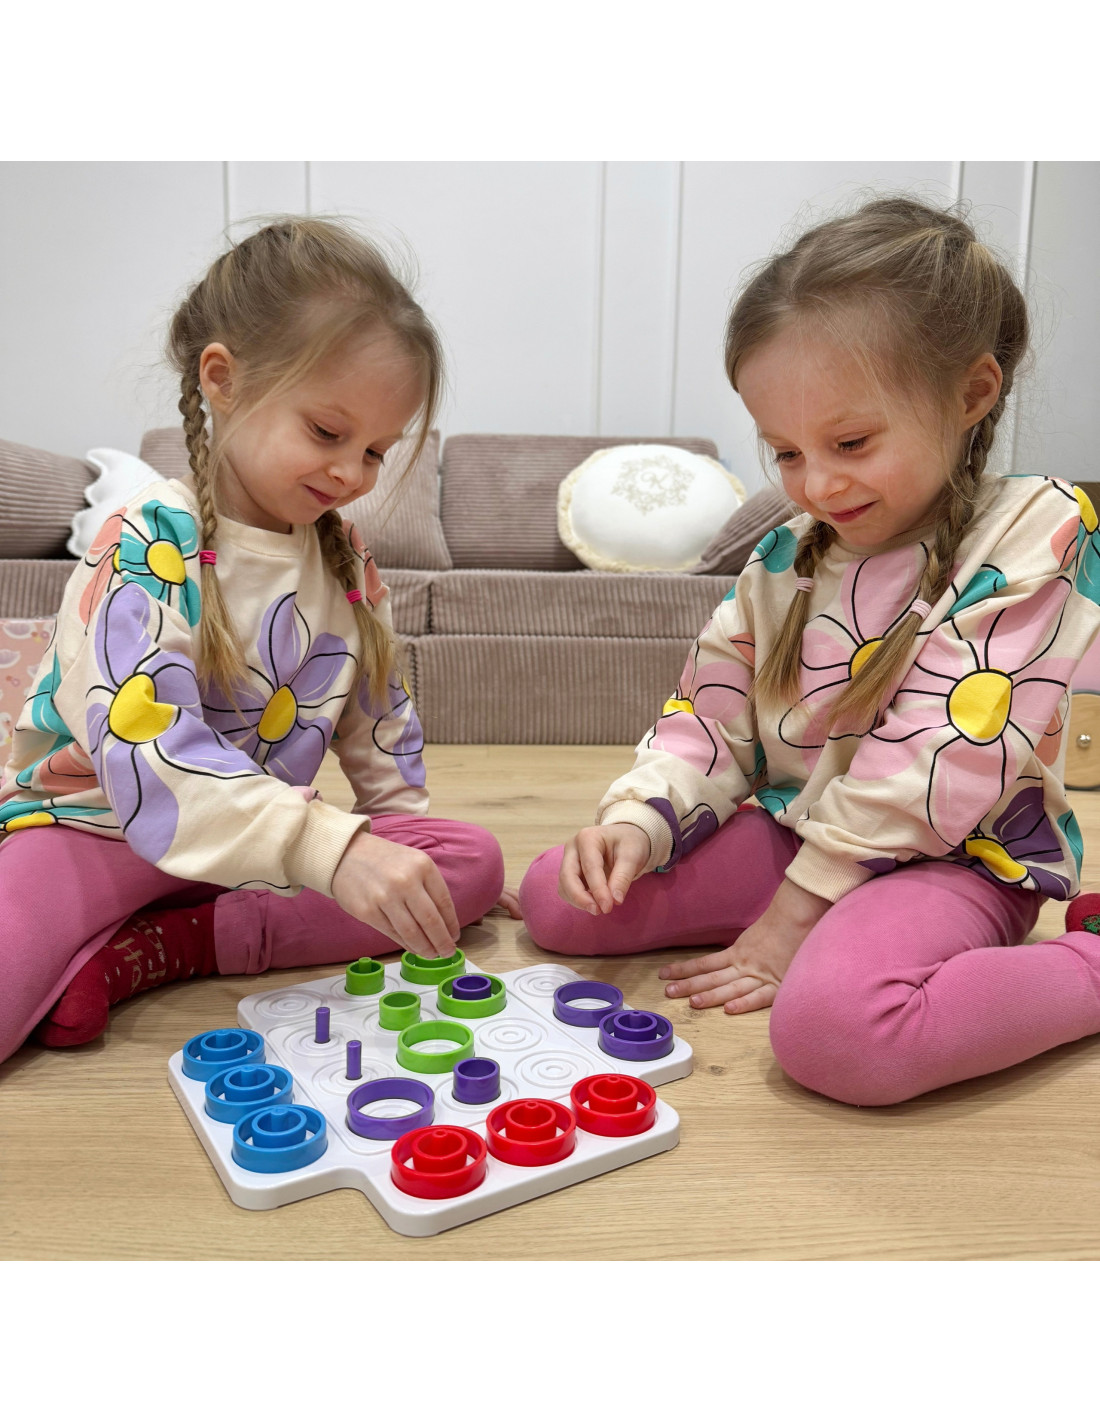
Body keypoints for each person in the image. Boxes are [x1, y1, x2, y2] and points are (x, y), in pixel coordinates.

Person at [519, 195, 1100, 1107]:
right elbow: (709, 724)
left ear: (971, 394)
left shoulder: (1041, 526)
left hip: (956, 859)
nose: (817, 484)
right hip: (804, 834)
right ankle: (828, 917)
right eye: (786, 452)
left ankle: (1089, 963)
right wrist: (640, 819)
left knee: (836, 1034)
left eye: (851, 442)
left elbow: (938, 760)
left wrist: (796, 916)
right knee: (561, 896)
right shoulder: (784, 555)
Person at [0, 217, 514, 1063]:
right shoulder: (145, 540)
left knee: (471, 865)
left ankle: (167, 947)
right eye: (327, 433)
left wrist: (406, 852)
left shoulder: (344, 559)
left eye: (376, 451)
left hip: (250, 847)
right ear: (224, 380)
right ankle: (141, 926)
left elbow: (379, 721)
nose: (350, 473)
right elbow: (151, 754)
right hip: (94, 833)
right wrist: (327, 849)